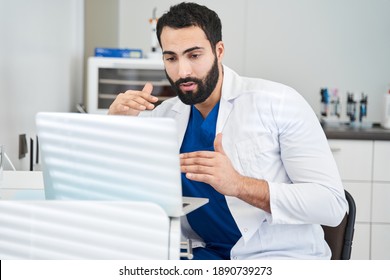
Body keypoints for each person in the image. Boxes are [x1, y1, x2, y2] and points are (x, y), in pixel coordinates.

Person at [108, 2, 348, 260]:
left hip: (275, 257)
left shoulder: (278, 103)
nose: (182, 71)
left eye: (194, 55)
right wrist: (114, 129)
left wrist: (238, 185)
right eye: (171, 58)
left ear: (219, 51)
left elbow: (331, 205)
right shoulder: (163, 116)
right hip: (197, 254)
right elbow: (123, 194)